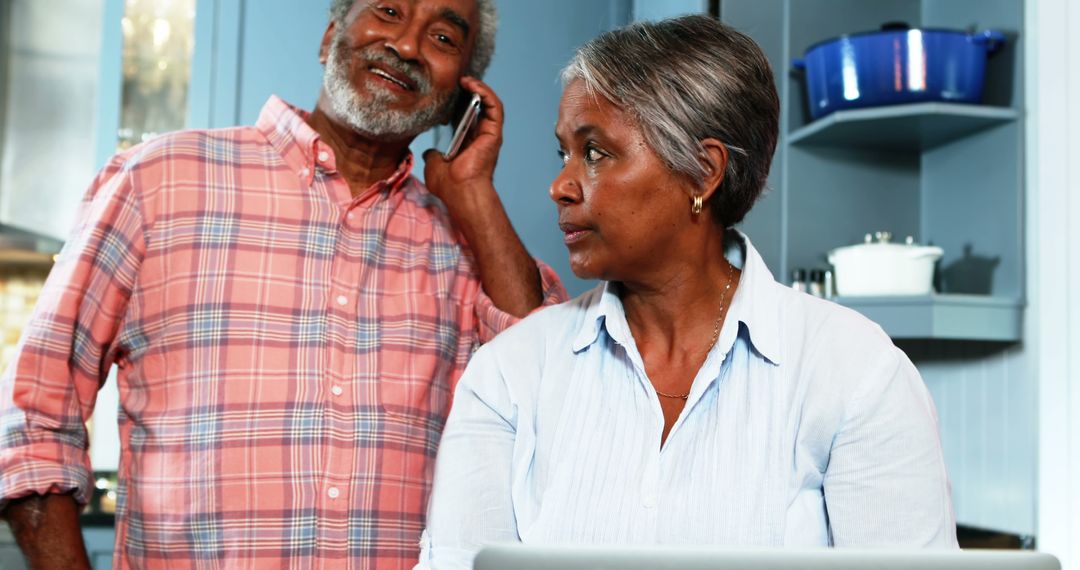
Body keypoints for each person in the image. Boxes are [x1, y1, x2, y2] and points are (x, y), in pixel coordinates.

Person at [0, 0, 567, 567]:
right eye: (389, 10)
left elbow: (552, 402)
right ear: (329, 37)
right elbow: (33, 418)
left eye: (443, 38)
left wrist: (475, 195)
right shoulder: (158, 182)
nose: (407, 45)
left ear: (462, 94)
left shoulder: (469, 245)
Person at [417, 15, 958, 568]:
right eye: (565, 154)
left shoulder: (855, 372)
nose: (561, 185)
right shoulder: (509, 375)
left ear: (703, 172)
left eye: (596, 153)